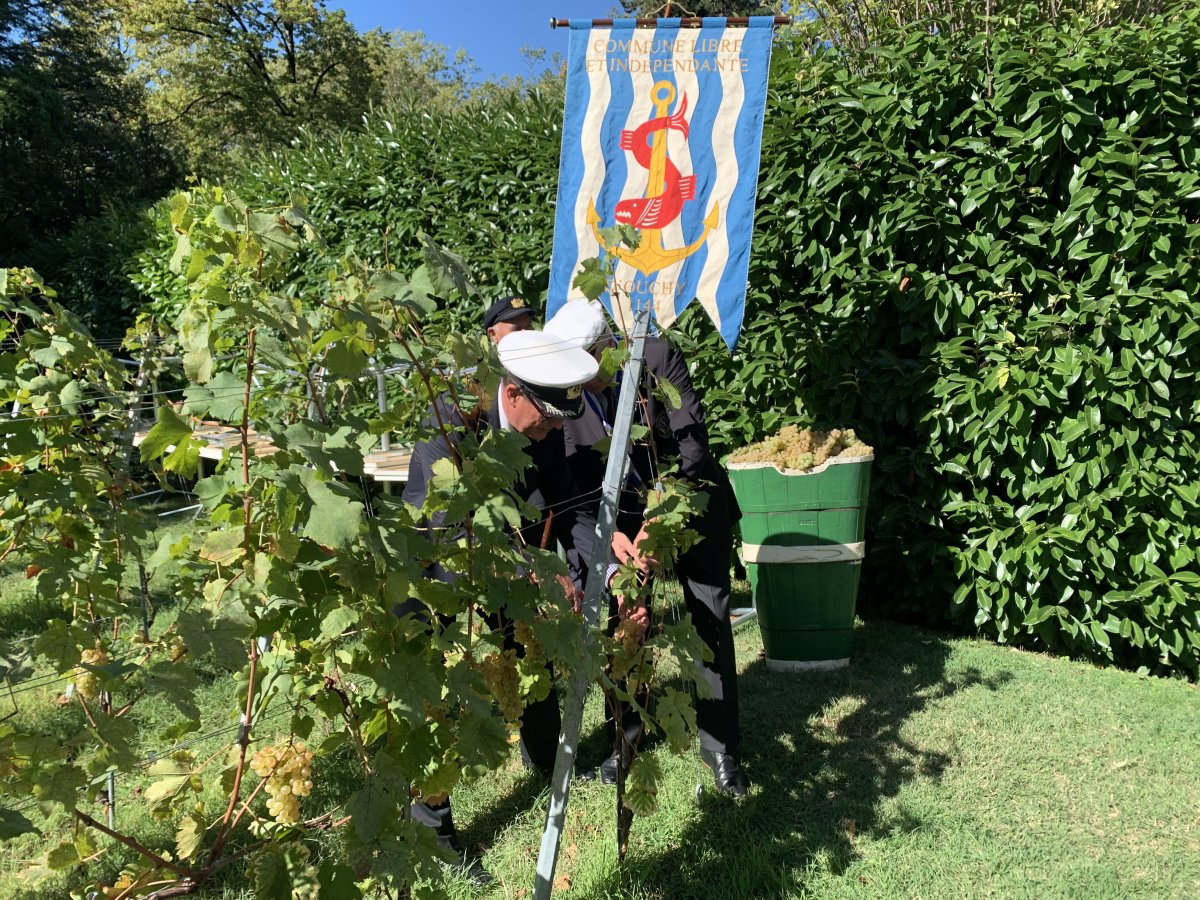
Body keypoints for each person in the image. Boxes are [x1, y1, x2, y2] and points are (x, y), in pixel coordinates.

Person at [400, 329, 600, 882]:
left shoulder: (544, 419)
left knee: (528, 662)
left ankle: (547, 762)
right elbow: (442, 527)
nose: (557, 429)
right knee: (436, 704)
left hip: (512, 576)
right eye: (550, 419)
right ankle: (432, 828)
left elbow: (570, 503)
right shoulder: (450, 421)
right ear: (511, 395)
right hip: (436, 585)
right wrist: (533, 576)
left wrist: (592, 566)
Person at [543, 300, 749, 798]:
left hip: (689, 505)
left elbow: (693, 452)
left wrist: (660, 521)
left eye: (588, 366)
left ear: (606, 348)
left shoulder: (657, 360)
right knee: (624, 628)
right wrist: (606, 544)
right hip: (623, 522)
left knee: (709, 616)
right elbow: (577, 485)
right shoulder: (566, 397)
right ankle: (624, 745)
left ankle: (721, 749)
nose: (582, 382)